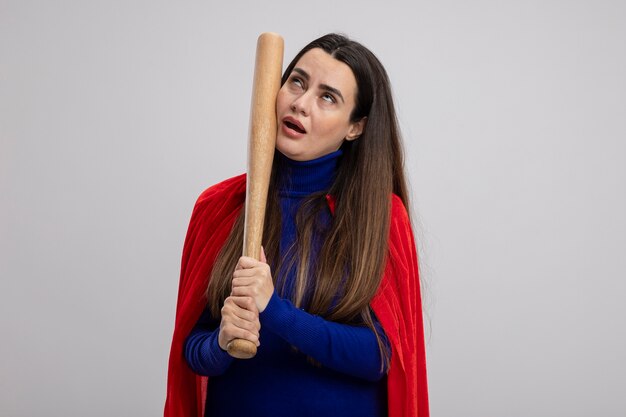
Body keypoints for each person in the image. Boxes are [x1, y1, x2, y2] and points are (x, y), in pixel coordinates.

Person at [164, 33, 429, 417]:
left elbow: (381, 356)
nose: (301, 104)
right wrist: (221, 341)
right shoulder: (219, 207)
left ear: (355, 127)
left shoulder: (380, 217)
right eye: (297, 82)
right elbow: (193, 351)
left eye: (327, 97)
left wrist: (274, 309)